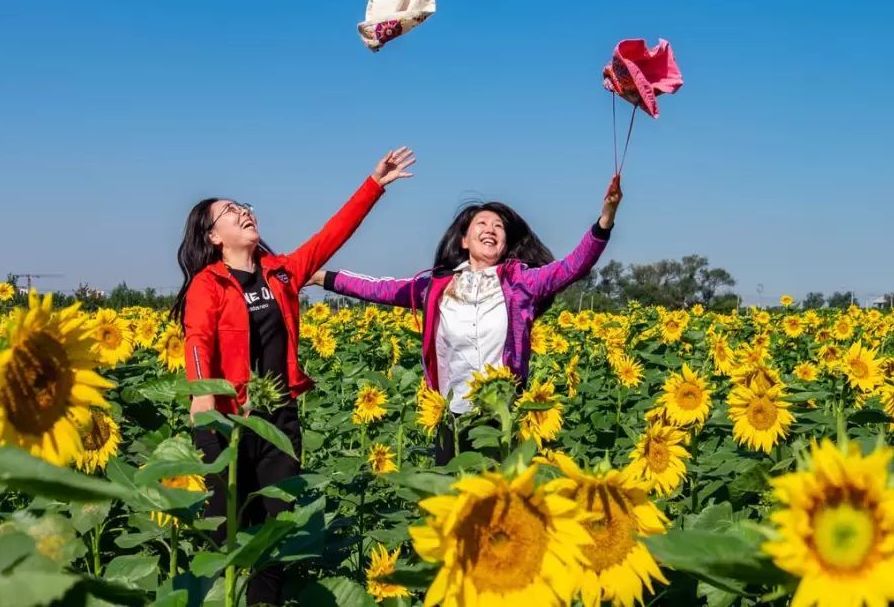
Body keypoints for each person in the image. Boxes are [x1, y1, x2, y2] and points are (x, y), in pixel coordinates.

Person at [170, 148, 415, 605]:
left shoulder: (281, 272)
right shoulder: (208, 285)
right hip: (227, 424)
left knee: (275, 533)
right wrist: (203, 406)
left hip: (278, 422)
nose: (243, 212)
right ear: (214, 235)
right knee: (224, 535)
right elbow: (198, 342)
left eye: (244, 207)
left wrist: (374, 185)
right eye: (229, 211)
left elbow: (331, 237)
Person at [310, 174, 621, 464]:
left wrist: (605, 220)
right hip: (451, 415)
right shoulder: (435, 287)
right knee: (451, 508)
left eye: (498, 226)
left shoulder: (521, 282)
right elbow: (378, 288)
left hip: (502, 416)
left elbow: (572, 267)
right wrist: (322, 277)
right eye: (482, 223)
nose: (490, 229)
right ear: (463, 240)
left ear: (505, 242)